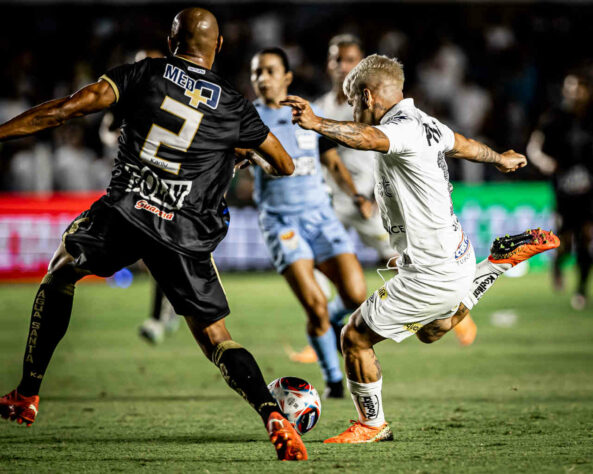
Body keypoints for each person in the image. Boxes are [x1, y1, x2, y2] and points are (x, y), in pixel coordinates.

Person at [0, 8, 307, 461]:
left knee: (61, 272)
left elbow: (66, 110)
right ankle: (270, 413)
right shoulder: (235, 106)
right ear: (218, 47)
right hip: (185, 231)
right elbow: (284, 165)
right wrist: (239, 153)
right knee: (217, 337)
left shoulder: (142, 73)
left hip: (125, 213)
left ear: (171, 40)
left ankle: (27, 394)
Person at [282, 54, 559, 443]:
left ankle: (372, 425)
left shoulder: (400, 129)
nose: (351, 108)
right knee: (433, 331)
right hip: (457, 255)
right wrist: (499, 158)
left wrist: (316, 123)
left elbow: (368, 138)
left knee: (354, 337)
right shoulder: (426, 123)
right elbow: (460, 144)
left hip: (430, 271)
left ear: (367, 95)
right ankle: (495, 263)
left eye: (353, 100)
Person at [313, 34, 477, 347]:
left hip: (372, 201)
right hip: (336, 200)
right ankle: (320, 339)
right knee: (317, 274)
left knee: (399, 256)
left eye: (350, 60)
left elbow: (378, 141)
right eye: (337, 59)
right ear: (328, 63)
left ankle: (451, 310)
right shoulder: (321, 107)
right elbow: (328, 159)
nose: (342, 66)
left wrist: (367, 195)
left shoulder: (377, 106)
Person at [248, 47, 369, 399]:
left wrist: (356, 195)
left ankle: (331, 321)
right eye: (257, 72)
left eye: (270, 71)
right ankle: (333, 379)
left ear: (287, 77)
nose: (262, 79)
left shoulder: (304, 114)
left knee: (356, 295)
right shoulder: (246, 118)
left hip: (321, 217)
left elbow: (331, 162)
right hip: (281, 222)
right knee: (314, 304)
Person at [527, 72, 593, 310]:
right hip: (564, 188)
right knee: (565, 240)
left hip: (588, 190)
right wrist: (544, 161)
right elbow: (534, 147)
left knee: (586, 236)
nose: (575, 93)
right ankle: (558, 262)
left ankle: (581, 290)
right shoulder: (554, 118)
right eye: (571, 88)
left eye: (579, 88)